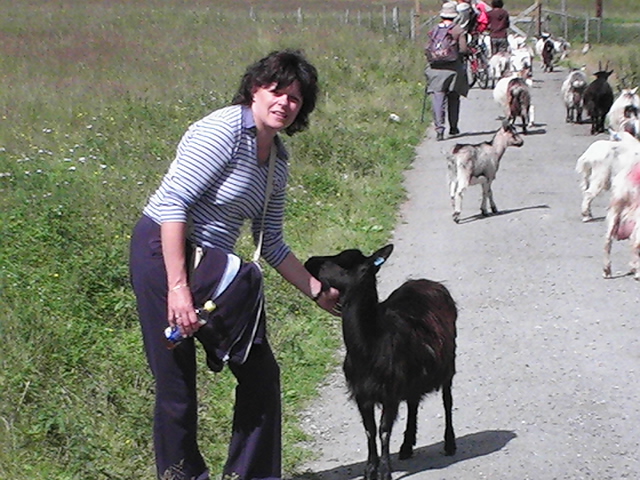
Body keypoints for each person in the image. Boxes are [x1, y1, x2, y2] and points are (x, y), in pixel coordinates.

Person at [129, 49, 340, 480]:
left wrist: (317, 291)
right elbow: (173, 205)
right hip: (162, 254)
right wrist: (177, 288)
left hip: (212, 268)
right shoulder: (222, 130)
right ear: (254, 89)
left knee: (261, 375)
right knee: (176, 383)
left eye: (295, 98)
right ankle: (181, 475)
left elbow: (271, 243)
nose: (284, 103)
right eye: (276, 91)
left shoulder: (277, 161)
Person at [425, 1, 469, 141]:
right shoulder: (458, 30)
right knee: (454, 97)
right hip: (453, 69)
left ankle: (439, 129)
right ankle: (453, 127)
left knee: (438, 98)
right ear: (455, 15)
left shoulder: (434, 30)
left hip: (435, 69)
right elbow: (463, 49)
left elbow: (428, 48)